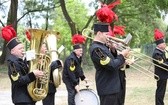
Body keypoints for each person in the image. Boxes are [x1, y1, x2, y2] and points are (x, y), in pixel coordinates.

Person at [1, 25, 44, 105]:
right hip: (22, 100)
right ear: (13, 51)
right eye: (20, 49)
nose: (23, 50)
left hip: (28, 98)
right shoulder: (12, 63)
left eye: (23, 48)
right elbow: (18, 81)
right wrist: (33, 74)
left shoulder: (21, 60)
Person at [89, 22, 130, 105]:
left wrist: (113, 50)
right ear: (99, 33)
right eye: (106, 34)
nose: (108, 37)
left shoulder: (103, 47)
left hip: (113, 88)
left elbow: (113, 60)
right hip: (107, 89)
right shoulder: (97, 49)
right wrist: (122, 55)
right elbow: (111, 65)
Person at [62, 34, 88, 105]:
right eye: (80, 51)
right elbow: (71, 73)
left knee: (76, 92)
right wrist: (75, 84)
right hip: (68, 78)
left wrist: (83, 77)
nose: (81, 52)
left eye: (82, 51)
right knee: (72, 93)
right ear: (75, 51)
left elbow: (79, 69)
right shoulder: (72, 59)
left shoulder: (78, 57)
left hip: (74, 77)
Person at [152, 28, 168, 105]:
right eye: (164, 43)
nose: (165, 44)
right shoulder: (156, 53)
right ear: (159, 45)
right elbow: (163, 64)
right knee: (160, 91)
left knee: (162, 91)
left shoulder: (161, 51)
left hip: (164, 75)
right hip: (161, 75)